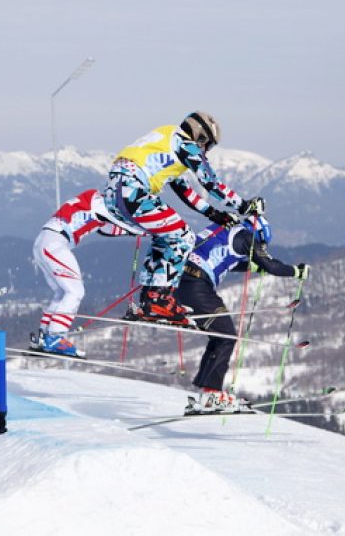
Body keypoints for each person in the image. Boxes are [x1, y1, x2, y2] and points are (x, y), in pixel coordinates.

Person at [103, 111, 265, 325]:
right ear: (201, 136)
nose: (205, 151)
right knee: (184, 237)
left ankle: (150, 299)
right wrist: (245, 205)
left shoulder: (168, 137)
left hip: (117, 191)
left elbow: (184, 191)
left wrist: (215, 214)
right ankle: (159, 300)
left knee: (166, 237)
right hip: (133, 190)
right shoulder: (186, 145)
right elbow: (211, 183)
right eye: (207, 145)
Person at [175, 214, 309, 413]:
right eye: (261, 245)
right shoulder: (248, 237)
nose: (259, 248)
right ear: (258, 234)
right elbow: (271, 265)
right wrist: (296, 271)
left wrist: (251, 266)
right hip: (198, 287)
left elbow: (223, 259)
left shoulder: (223, 228)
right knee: (227, 336)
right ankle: (211, 395)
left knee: (220, 336)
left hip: (180, 282)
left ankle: (208, 391)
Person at [32, 188, 142, 357]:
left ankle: (44, 335)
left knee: (61, 292)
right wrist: (147, 228)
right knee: (75, 292)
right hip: (55, 243)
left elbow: (107, 229)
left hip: (45, 242)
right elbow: (120, 221)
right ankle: (55, 337)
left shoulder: (95, 204)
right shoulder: (99, 202)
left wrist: (136, 230)